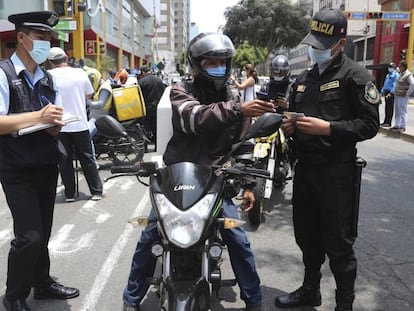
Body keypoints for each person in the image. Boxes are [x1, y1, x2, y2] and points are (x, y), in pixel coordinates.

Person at [123, 32, 276, 311]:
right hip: (177, 179)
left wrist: (250, 185)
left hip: (216, 180)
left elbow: (244, 144)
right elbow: (196, 119)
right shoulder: (180, 91)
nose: (218, 66)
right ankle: (131, 298)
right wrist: (239, 109)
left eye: (222, 61)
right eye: (210, 62)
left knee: (237, 238)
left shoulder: (234, 97)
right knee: (150, 234)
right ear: (196, 64)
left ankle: (254, 301)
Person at [274, 8, 379, 311]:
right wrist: (289, 126)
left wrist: (329, 128)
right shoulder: (304, 78)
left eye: (322, 44)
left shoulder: (354, 76)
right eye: (313, 43)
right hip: (305, 170)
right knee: (307, 236)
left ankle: (343, 304)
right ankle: (310, 291)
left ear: (340, 44)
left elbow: (370, 124)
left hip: (337, 174)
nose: (314, 49)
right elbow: (292, 117)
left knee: (339, 245)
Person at [0, 11, 80, 311]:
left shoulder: (46, 77)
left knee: (43, 232)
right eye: (40, 36)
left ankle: (42, 282)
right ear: (21, 38)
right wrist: (39, 117)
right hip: (17, 167)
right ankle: (15, 295)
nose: (46, 42)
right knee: (29, 236)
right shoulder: (4, 73)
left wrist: (55, 123)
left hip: (46, 163)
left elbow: (52, 117)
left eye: (49, 37)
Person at [47, 47, 103, 202]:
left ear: (50, 61)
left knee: (64, 160)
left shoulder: (48, 75)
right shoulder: (79, 73)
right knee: (87, 158)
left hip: (59, 124)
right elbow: (89, 93)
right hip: (79, 123)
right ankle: (96, 191)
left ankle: (70, 194)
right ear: (66, 57)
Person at [137, 65, 166, 144]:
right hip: (157, 107)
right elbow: (163, 93)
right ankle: (157, 145)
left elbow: (139, 96)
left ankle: (145, 146)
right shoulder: (159, 80)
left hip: (146, 108)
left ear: (143, 72)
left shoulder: (141, 81)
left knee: (145, 127)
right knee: (156, 127)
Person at [391, 60, 414, 133]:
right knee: (397, 110)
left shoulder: (408, 75)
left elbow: (412, 84)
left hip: (403, 96)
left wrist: (408, 93)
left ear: (404, 67)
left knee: (402, 111)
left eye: (400, 66)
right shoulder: (401, 74)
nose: (399, 67)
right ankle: (397, 125)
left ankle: (403, 126)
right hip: (398, 95)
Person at [380, 62, 399, 127]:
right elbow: (385, 84)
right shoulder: (388, 75)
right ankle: (385, 121)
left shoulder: (396, 75)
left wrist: (391, 93)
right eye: (389, 67)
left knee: (390, 108)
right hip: (386, 92)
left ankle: (388, 122)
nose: (390, 68)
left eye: (391, 67)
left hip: (390, 93)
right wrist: (382, 91)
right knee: (386, 108)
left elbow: (395, 85)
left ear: (394, 68)